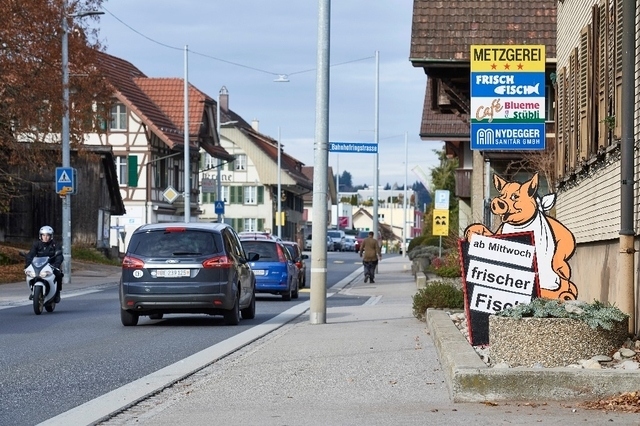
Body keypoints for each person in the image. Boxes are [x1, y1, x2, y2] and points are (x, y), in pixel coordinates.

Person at [25, 226, 64, 302]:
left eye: (47, 235)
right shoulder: (37, 244)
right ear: (40, 236)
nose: (45, 237)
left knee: (58, 274)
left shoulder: (55, 244)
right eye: (43, 235)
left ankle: (57, 292)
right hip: (39, 265)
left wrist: (56, 265)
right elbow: (31, 254)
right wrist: (28, 264)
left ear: (51, 236)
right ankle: (33, 291)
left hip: (52, 265)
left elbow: (59, 256)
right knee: (31, 275)